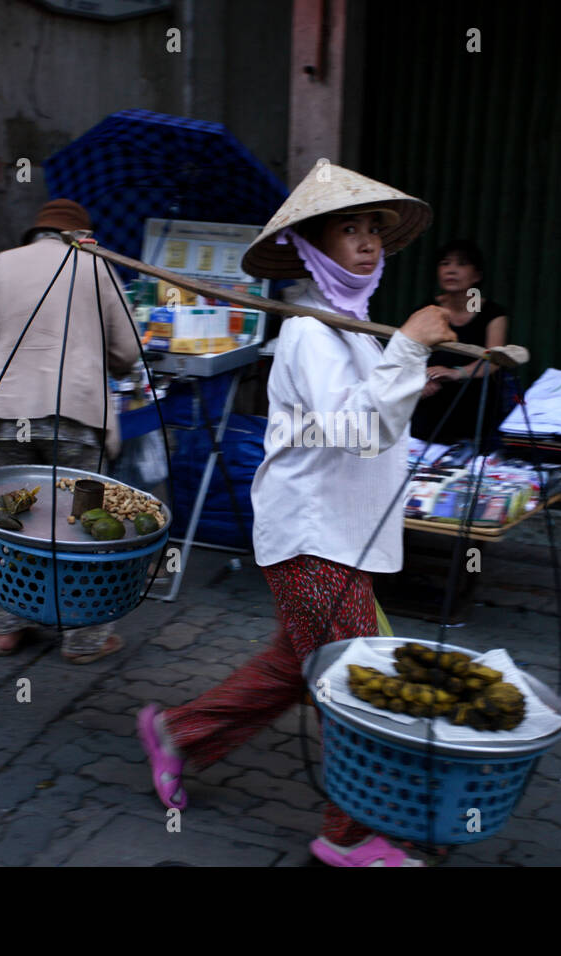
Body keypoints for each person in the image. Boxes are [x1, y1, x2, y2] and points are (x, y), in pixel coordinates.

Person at [137, 166, 455, 867]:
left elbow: (371, 413)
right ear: (313, 248)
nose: (368, 244)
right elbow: (354, 426)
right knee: (352, 685)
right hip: (314, 538)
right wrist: (410, 345)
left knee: (299, 665)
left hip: (341, 535)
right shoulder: (312, 332)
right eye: (349, 230)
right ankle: (348, 836)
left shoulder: (351, 331)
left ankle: (178, 733)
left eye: (374, 230)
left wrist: (408, 370)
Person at [0, 199, 140, 662]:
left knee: (10, 523)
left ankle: (7, 629)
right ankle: (83, 639)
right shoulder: (94, 267)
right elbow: (127, 348)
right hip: (73, 414)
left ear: (36, 232)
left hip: (6, 414)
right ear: (80, 235)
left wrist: (1, 365)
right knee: (84, 525)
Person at [410, 239, 510, 447]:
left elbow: (493, 361)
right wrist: (420, 380)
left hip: (473, 413)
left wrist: (456, 373)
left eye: (461, 264)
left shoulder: (490, 313)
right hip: (430, 409)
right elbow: (409, 355)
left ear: (477, 276)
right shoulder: (427, 310)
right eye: (445, 263)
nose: (451, 270)